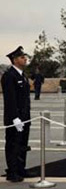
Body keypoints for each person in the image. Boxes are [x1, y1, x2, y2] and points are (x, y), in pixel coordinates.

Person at [1, 46, 35, 182]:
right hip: (15, 117)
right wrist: (15, 117)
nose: (25, 59)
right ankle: (12, 171)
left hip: (25, 116)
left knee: (22, 144)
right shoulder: (9, 76)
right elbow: (10, 99)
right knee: (13, 144)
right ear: (14, 60)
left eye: (25, 57)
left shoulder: (22, 76)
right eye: (22, 57)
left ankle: (21, 168)